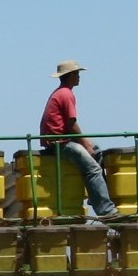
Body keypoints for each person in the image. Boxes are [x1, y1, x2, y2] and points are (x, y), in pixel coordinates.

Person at [40, 60, 120, 218]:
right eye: (77, 74)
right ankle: (107, 211)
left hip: (59, 139)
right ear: (69, 76)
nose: (79, 77)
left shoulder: (61, 92)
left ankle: (95, 195)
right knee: (94, 169)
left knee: (96, 149)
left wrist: (88, 145)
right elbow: (71, 124)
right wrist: (84, 143)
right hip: (59, 143)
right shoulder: (66, 94)